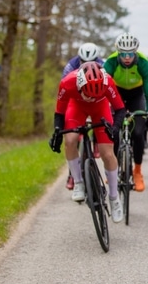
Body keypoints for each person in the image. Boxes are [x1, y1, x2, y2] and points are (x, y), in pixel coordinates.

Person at [49, 61, 126, 223]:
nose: (91, 98)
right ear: (79, 85)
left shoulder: (108, 81)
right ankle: (78, 182)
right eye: (88, 94)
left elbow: (120, 109)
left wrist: (115, 128)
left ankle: (114, 197)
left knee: (107, 152)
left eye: (95, 95)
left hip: (101, 110)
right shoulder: (67, 82)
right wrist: (57, 132)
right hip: (76, 108)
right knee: (70, 140)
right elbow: (59, 113)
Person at [103, 32, 148, 192]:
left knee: (138, 133)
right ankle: (115, 168)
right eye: (123, 54)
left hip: (136, 95)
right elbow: (103, 87)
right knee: (115, 132)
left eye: (130, 53)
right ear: (118, 52)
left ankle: (137, 171)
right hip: (116, 93)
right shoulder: (111, 62)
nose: (127, 57)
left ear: (135, 52)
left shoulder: (143, 62)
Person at [61, 42, 104, 190]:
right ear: (79, 60)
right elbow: (65, 92)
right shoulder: (70, 66)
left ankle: (96, 142)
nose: (86, 65)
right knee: (72, 138)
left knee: (102, 121)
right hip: (76, 101)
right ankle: (72, 174)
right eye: (83, 62)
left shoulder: (103, 65)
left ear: (97, 59)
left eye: (91, 62)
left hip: (96, 101)